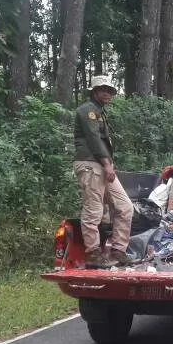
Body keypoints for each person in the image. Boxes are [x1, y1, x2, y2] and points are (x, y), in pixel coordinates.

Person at [73, 75, 135, 268]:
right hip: (90, 164)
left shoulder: (100, 112)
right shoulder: (87, 110)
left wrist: (108, 165)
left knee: (125, 206)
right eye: (102, 90)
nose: (106, 93)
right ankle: (92, 253)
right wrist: (107, 165)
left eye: (109, 90)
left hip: (101, 164)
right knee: (94, 210)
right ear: (94, 92)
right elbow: (93, 139)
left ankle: (118, 250)